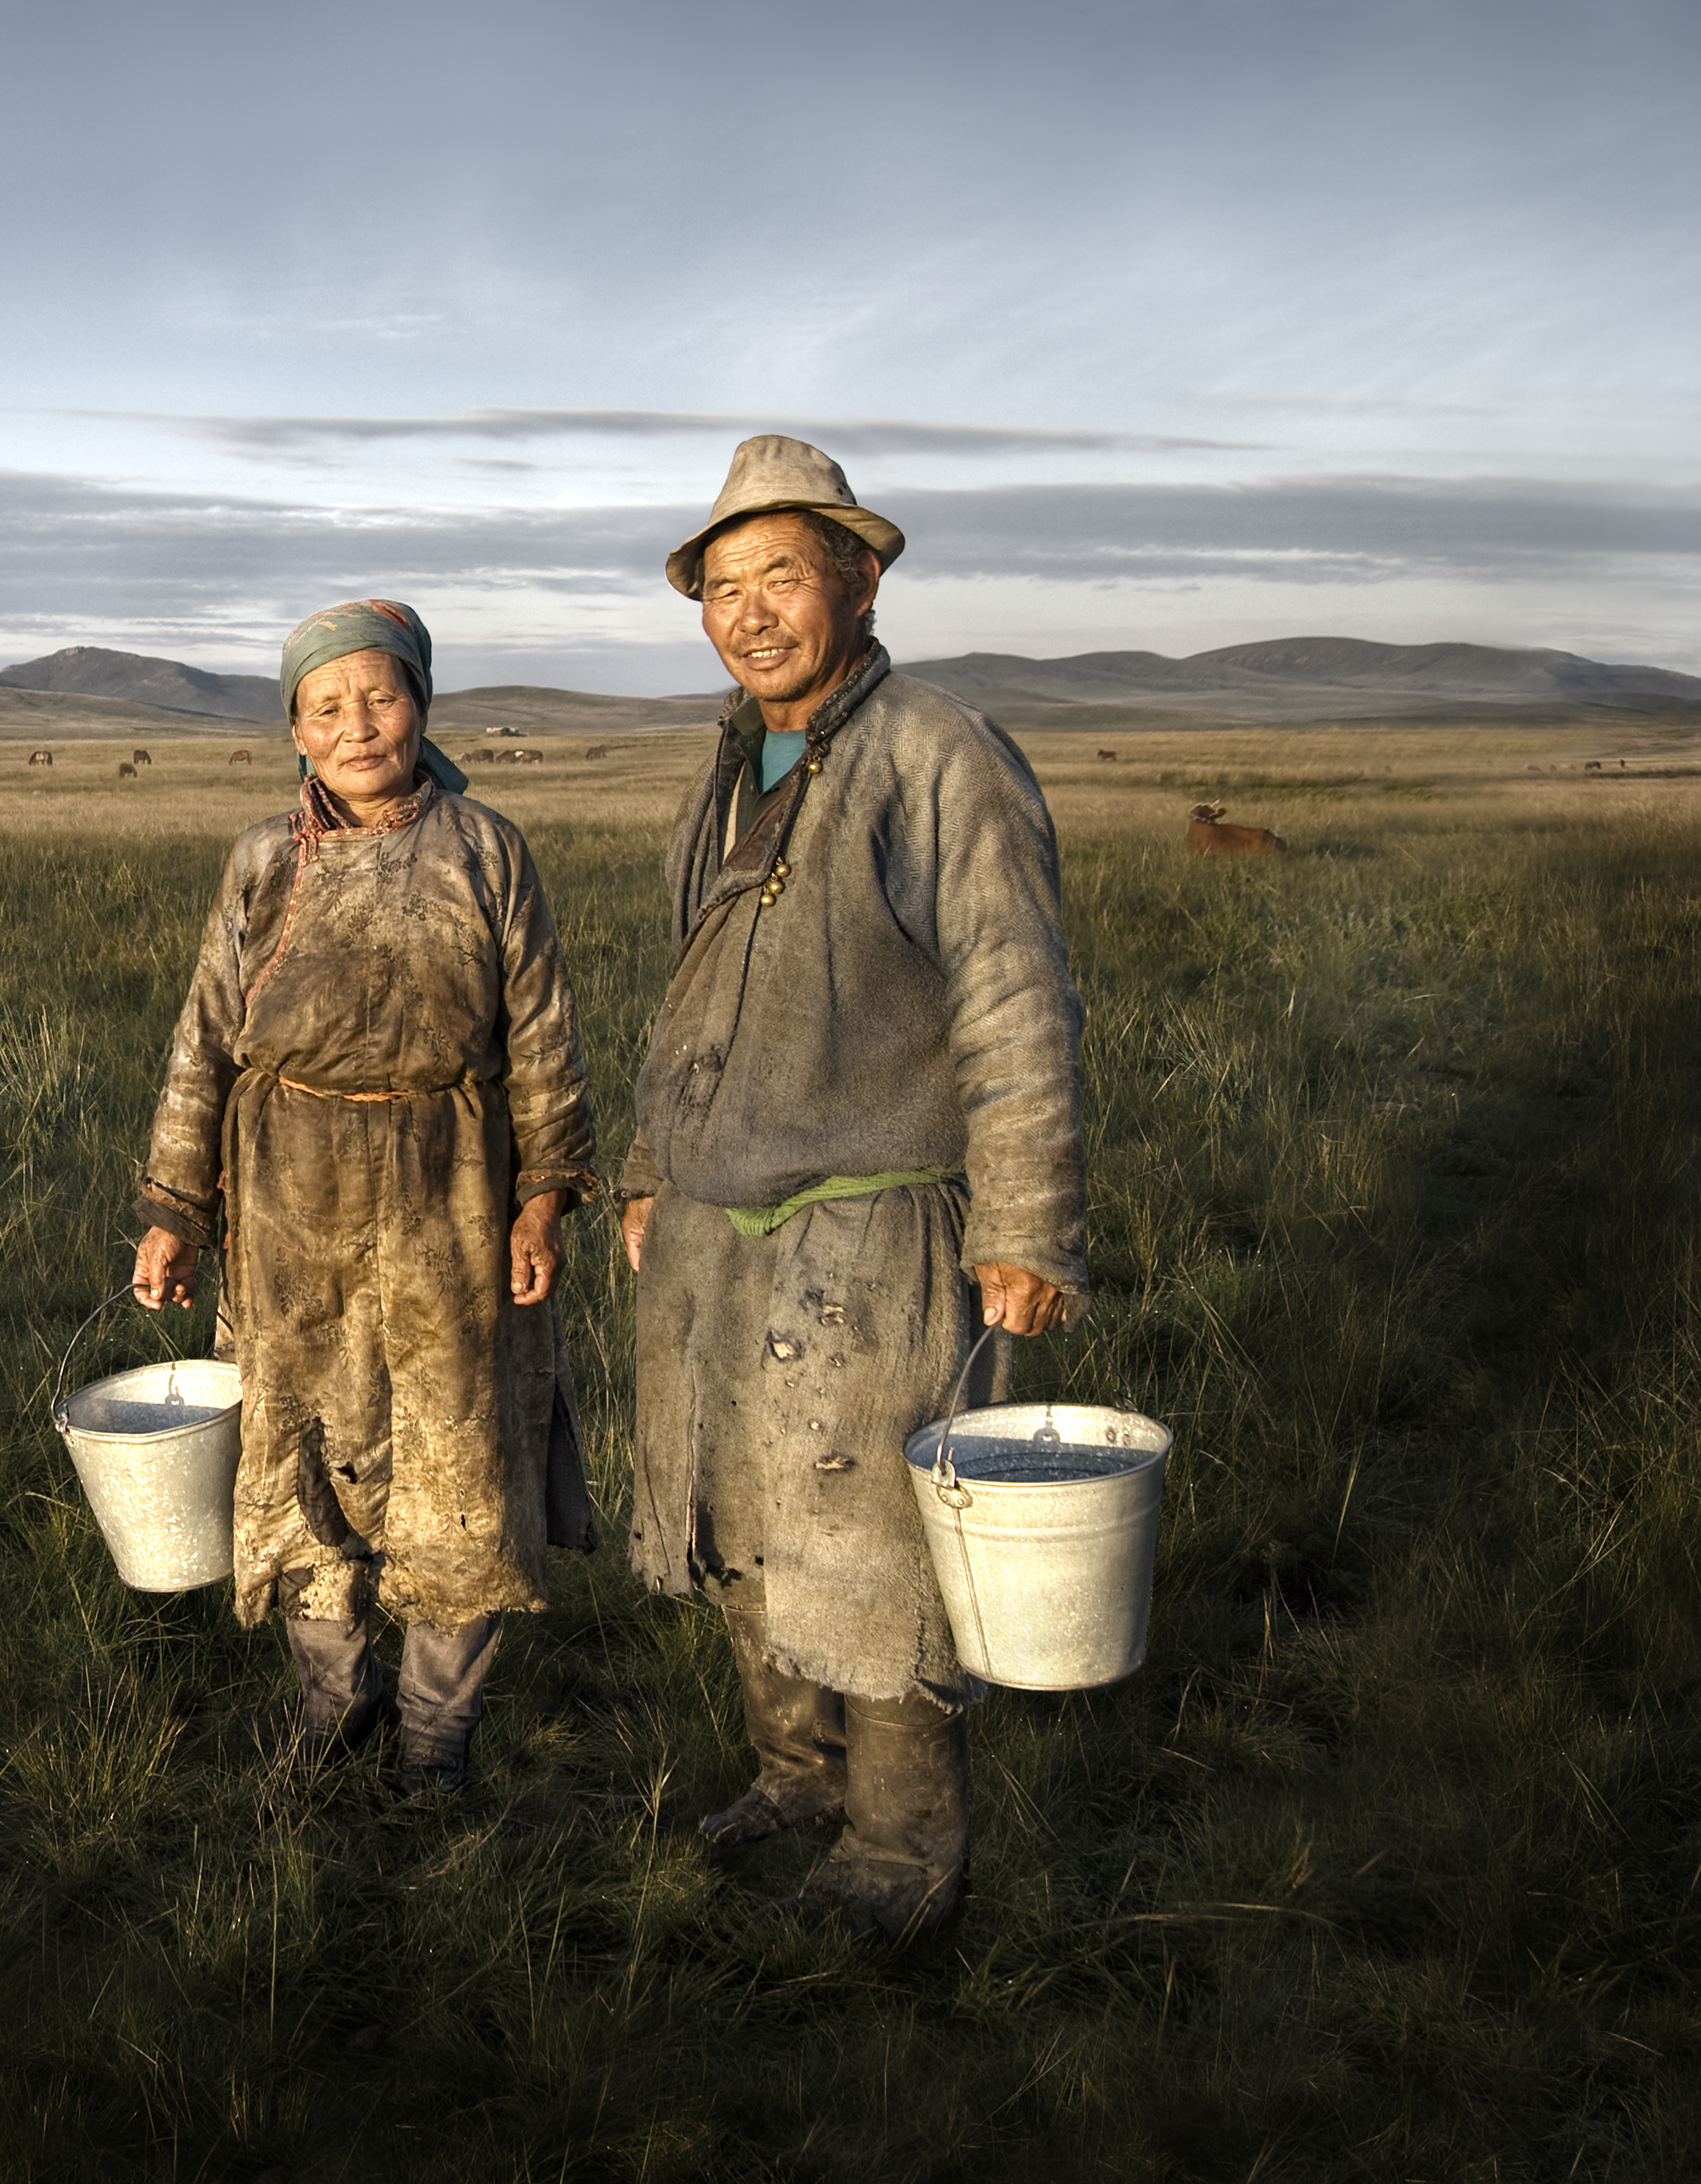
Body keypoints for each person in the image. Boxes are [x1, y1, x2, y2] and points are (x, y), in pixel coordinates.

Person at [617, 437, 1088, 1939]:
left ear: (860, 579)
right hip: (714, 1218)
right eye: (724, 584)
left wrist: (1024, 1222)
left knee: (872, 1549)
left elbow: (1013, 995)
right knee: (738, 1515)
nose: (750, 612)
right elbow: (691, 992)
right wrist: (645, 1169)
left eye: (783, 576)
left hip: (875, 1220)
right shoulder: (729, 756)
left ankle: (897, 1856)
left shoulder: (938, 750)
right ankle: (796, 1778)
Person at [132, 598, 607, 1792]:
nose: (358, 725)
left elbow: (543, 1038)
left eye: (380, 696)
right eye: (326, 705)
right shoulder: (258, 861)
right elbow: (203, 1045)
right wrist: (175, 1212)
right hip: (287, 1202)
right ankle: (333, 1712)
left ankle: (436, 1739)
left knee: (457, 1464)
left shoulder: (486, 849)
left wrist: (543, 1194)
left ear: (421, 705)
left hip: (450, 1189)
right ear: (293, 729)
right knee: (300, 1457)